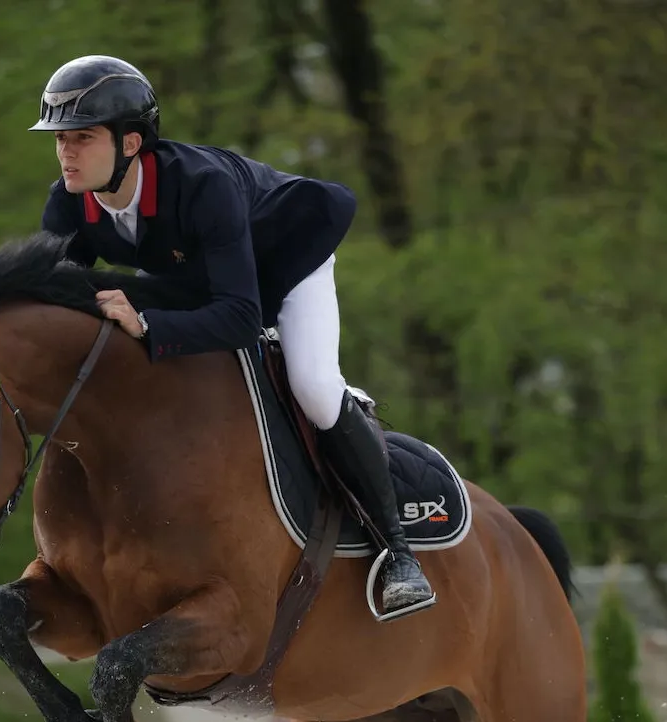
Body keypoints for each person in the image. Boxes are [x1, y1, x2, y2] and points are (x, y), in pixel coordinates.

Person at [32, 54, 435, 617]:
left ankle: (398, 553)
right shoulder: (69, 201)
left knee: (314, 387)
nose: (66, 152)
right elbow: (61, 297)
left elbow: (243, 319)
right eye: (60, 139)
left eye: (83, 137)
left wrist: (148, 325)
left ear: (130, 144)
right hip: (195, 273)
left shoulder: (203, 187)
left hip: (288, 259)